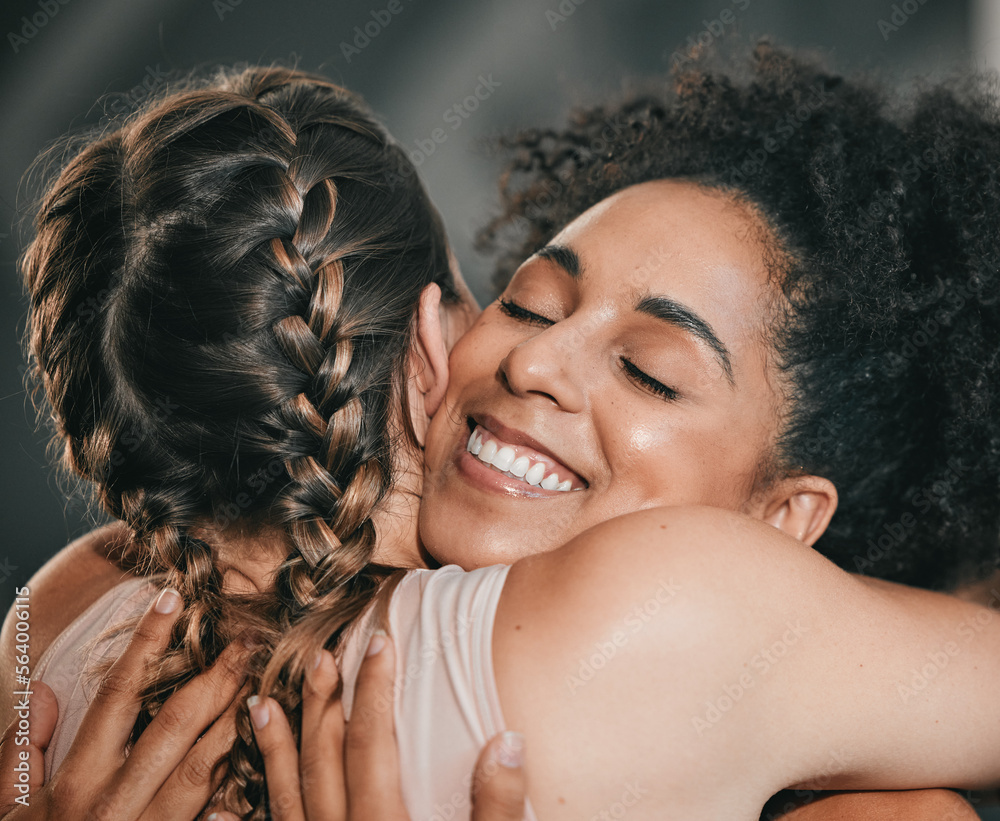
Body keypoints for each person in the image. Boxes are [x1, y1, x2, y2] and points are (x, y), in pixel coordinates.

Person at [4, 41, 1000, 818]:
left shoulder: (63, 602)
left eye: (650, 371)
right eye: (528, 304)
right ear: (436, 334)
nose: (534, 360)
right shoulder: (670, 624)